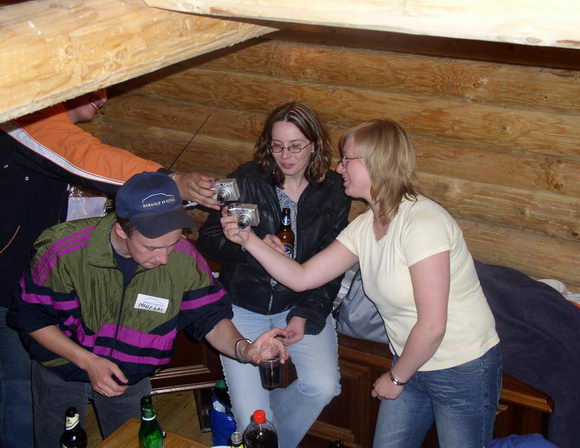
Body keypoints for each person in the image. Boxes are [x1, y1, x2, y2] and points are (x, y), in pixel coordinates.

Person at [219, 119, 502, 448]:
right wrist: (248, 239)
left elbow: (433, 325)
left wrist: (396, 378)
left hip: (461, 369)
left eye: (346, 160)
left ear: (377, 162)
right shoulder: (365, 226)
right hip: (411, 360)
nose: (339, 168)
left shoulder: (423, 222)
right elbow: (302, 277)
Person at [0, 90, 220, 448]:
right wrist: (169, 179)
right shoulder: (22, 112)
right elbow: (81, 155)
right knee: (20, 387)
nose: (102, 98)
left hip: (31, 270)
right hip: (9, 276)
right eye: (94, 88)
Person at [7, 172, 287, 448]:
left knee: (131, 442)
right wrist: (89, 362)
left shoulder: (184, 259)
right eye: (152, 247)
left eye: (172, 243)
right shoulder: (63, 249)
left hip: (128, 375)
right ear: (121, 230)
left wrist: (244, 348)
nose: (164, 258)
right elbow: (31, 318)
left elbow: (210, 318)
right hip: (60, 367)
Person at [197, 102, 350, 448]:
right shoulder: (244, 179)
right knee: (255, 420)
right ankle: (261, 427)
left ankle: (268, 430)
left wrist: (306, 314)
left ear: (315, 144)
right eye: (277, 146)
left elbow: (332, 266)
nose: (285, 155)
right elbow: (208, 239)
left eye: (296, 146)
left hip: (300, 301)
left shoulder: (335, 190)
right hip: (243, 305)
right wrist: (248, 245)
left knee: (324, 386)